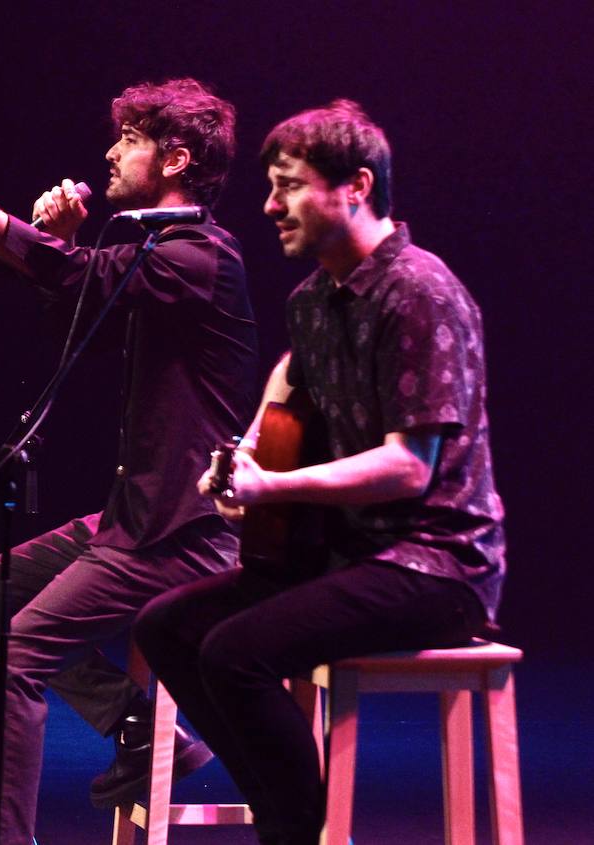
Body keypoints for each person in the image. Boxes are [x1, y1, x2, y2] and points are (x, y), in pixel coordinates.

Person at [0, 78, 258, 845]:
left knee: (10, 660)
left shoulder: (201, 256)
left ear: (176, 159)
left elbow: (72, 275)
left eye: (129, 139)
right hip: (139, 519)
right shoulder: (155, 252)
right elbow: (80, 310)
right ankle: (143, 730)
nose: (110, 152)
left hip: (185, 533)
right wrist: (60, 241)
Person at [132, 100, 506, 845]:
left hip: (438, 566)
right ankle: (288, 818)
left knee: (235, 652)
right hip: (349, 556)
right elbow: (289, 376)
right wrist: (245, 455)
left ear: (356, 186)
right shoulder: (313, 300)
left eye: (289, 186)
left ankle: (294, 832)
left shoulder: (421, 294)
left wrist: (274, 487)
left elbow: (409, 467)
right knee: (167, 627)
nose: (270, 206)